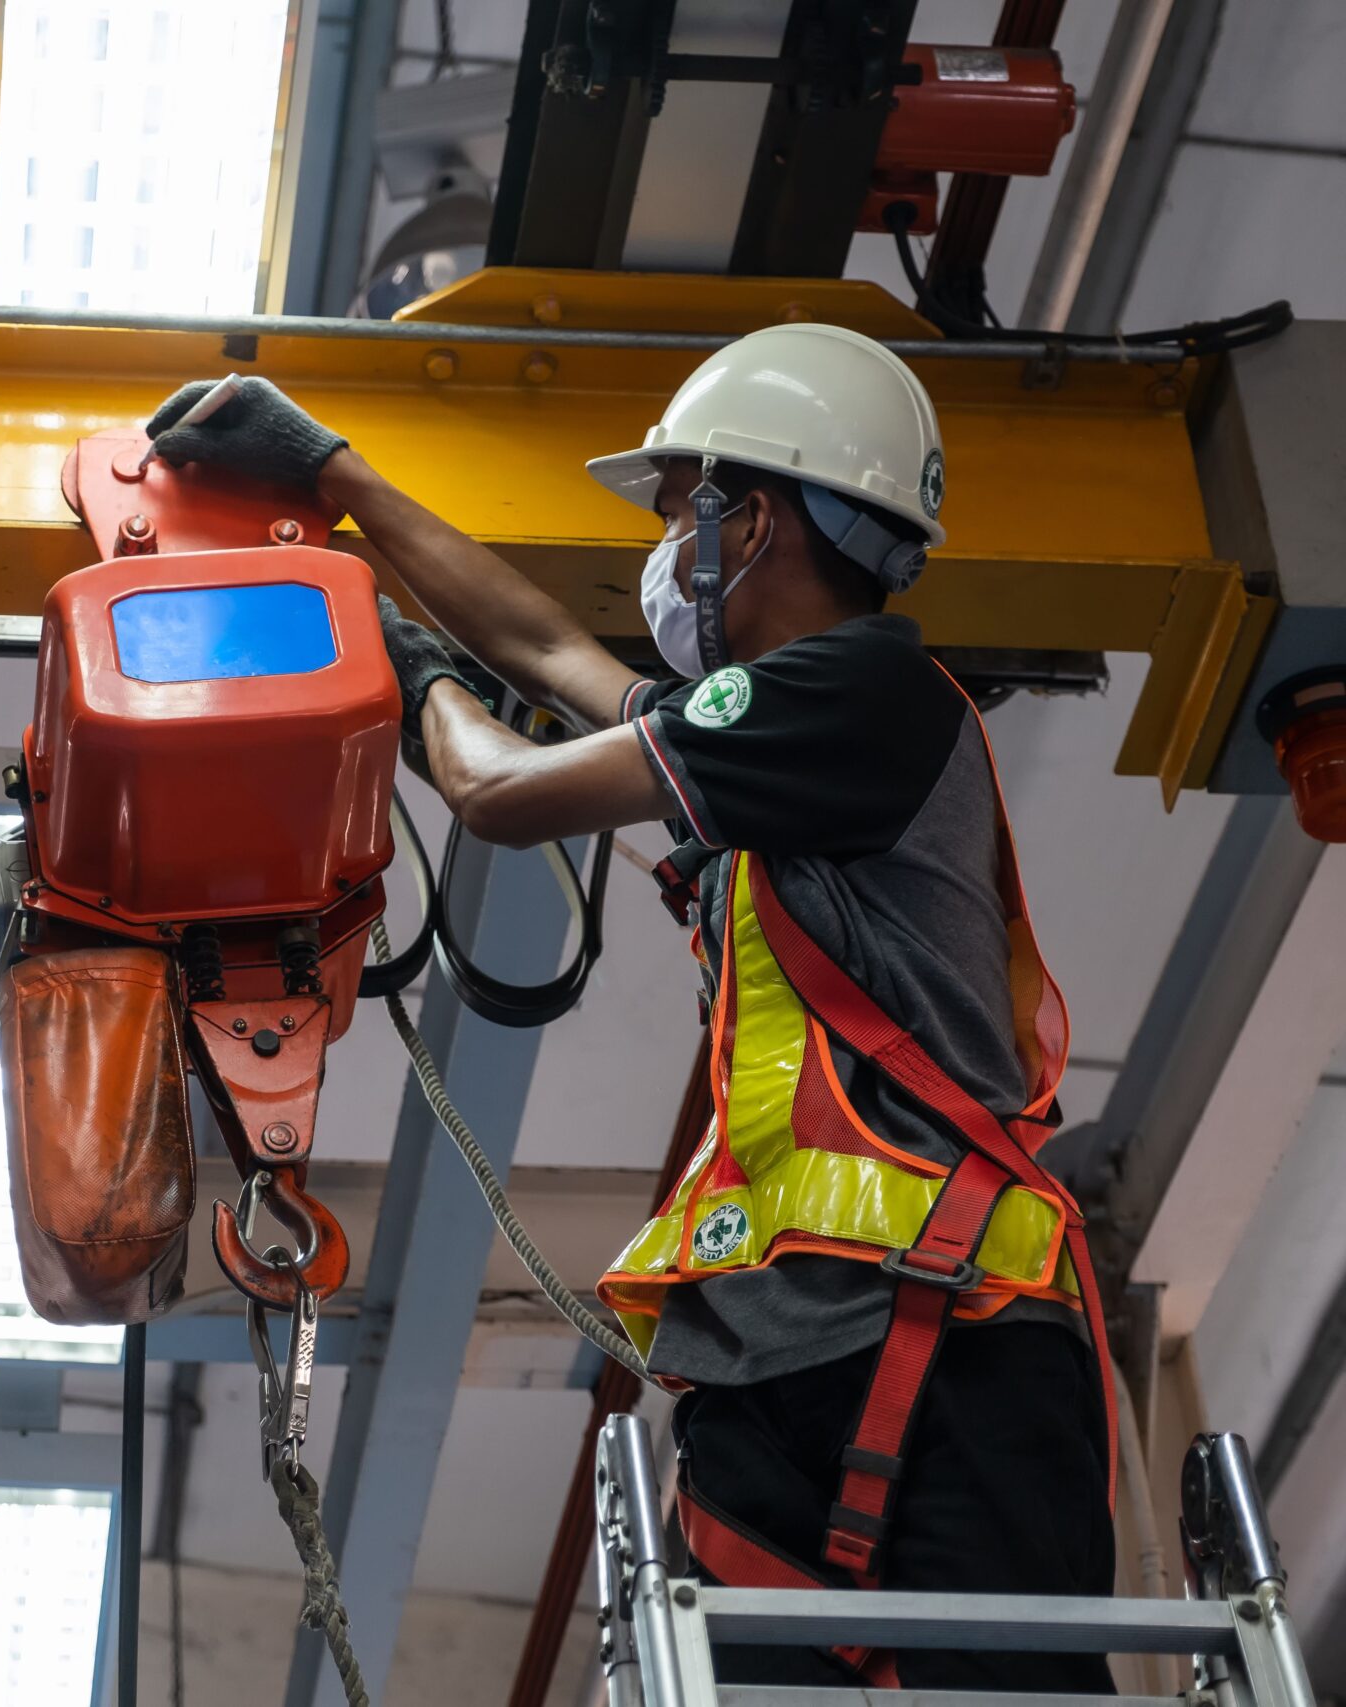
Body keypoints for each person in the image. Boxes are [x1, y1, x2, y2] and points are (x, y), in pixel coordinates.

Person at [143, 324, 1117, 1692]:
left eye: (677, 512)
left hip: (950, 1336)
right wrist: (337, 479)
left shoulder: (864, 698)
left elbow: (497, 791)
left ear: (751, 516)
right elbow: (545, 647)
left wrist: (392, 668)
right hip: (794, 1348)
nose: (667, 550)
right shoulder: (778, 741)